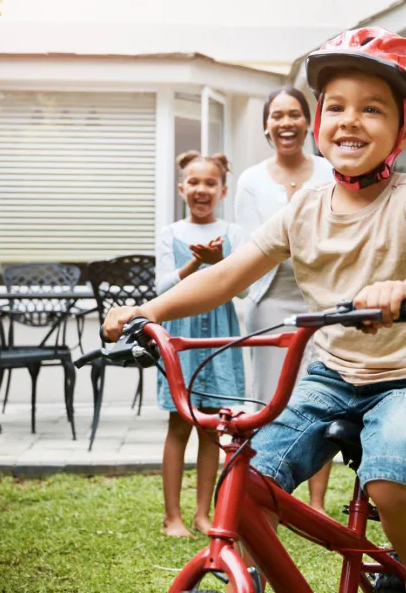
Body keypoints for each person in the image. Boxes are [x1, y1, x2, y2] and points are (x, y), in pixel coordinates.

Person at [106, 27, 406, 593]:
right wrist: (146, 310)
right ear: (320, 122)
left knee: (392, 480)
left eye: (371, 109)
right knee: (249, 481)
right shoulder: (304, 208)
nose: (349, 120)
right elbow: (227, 275)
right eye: (336, 107)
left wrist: (405, 288)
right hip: (330, 375)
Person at [234, 86, 336, 513]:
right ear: (266, 126)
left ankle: (316, 503)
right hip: (269, 301)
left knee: (322, 396)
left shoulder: (330, 170)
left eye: (294, 114)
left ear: (308, 122)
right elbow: (249, 247)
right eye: (277, 116)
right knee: (268, 401)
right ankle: (267, 496)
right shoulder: (251, 181)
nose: (286, 123)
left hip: (322, 302)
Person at [153, 150, 247, 538]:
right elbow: (161, 289)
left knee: (212, 429)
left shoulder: (233, 233)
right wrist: (196, 263)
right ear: (182, 189)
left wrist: (221, 260)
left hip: (218, 338)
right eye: (193, 182)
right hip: (182, 337)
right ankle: (171, 517)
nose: (201, 189)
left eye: (210, 183)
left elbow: (243, 290)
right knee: (179, 425)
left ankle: (202, 514)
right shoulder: (170, 233)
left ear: (222, 191)